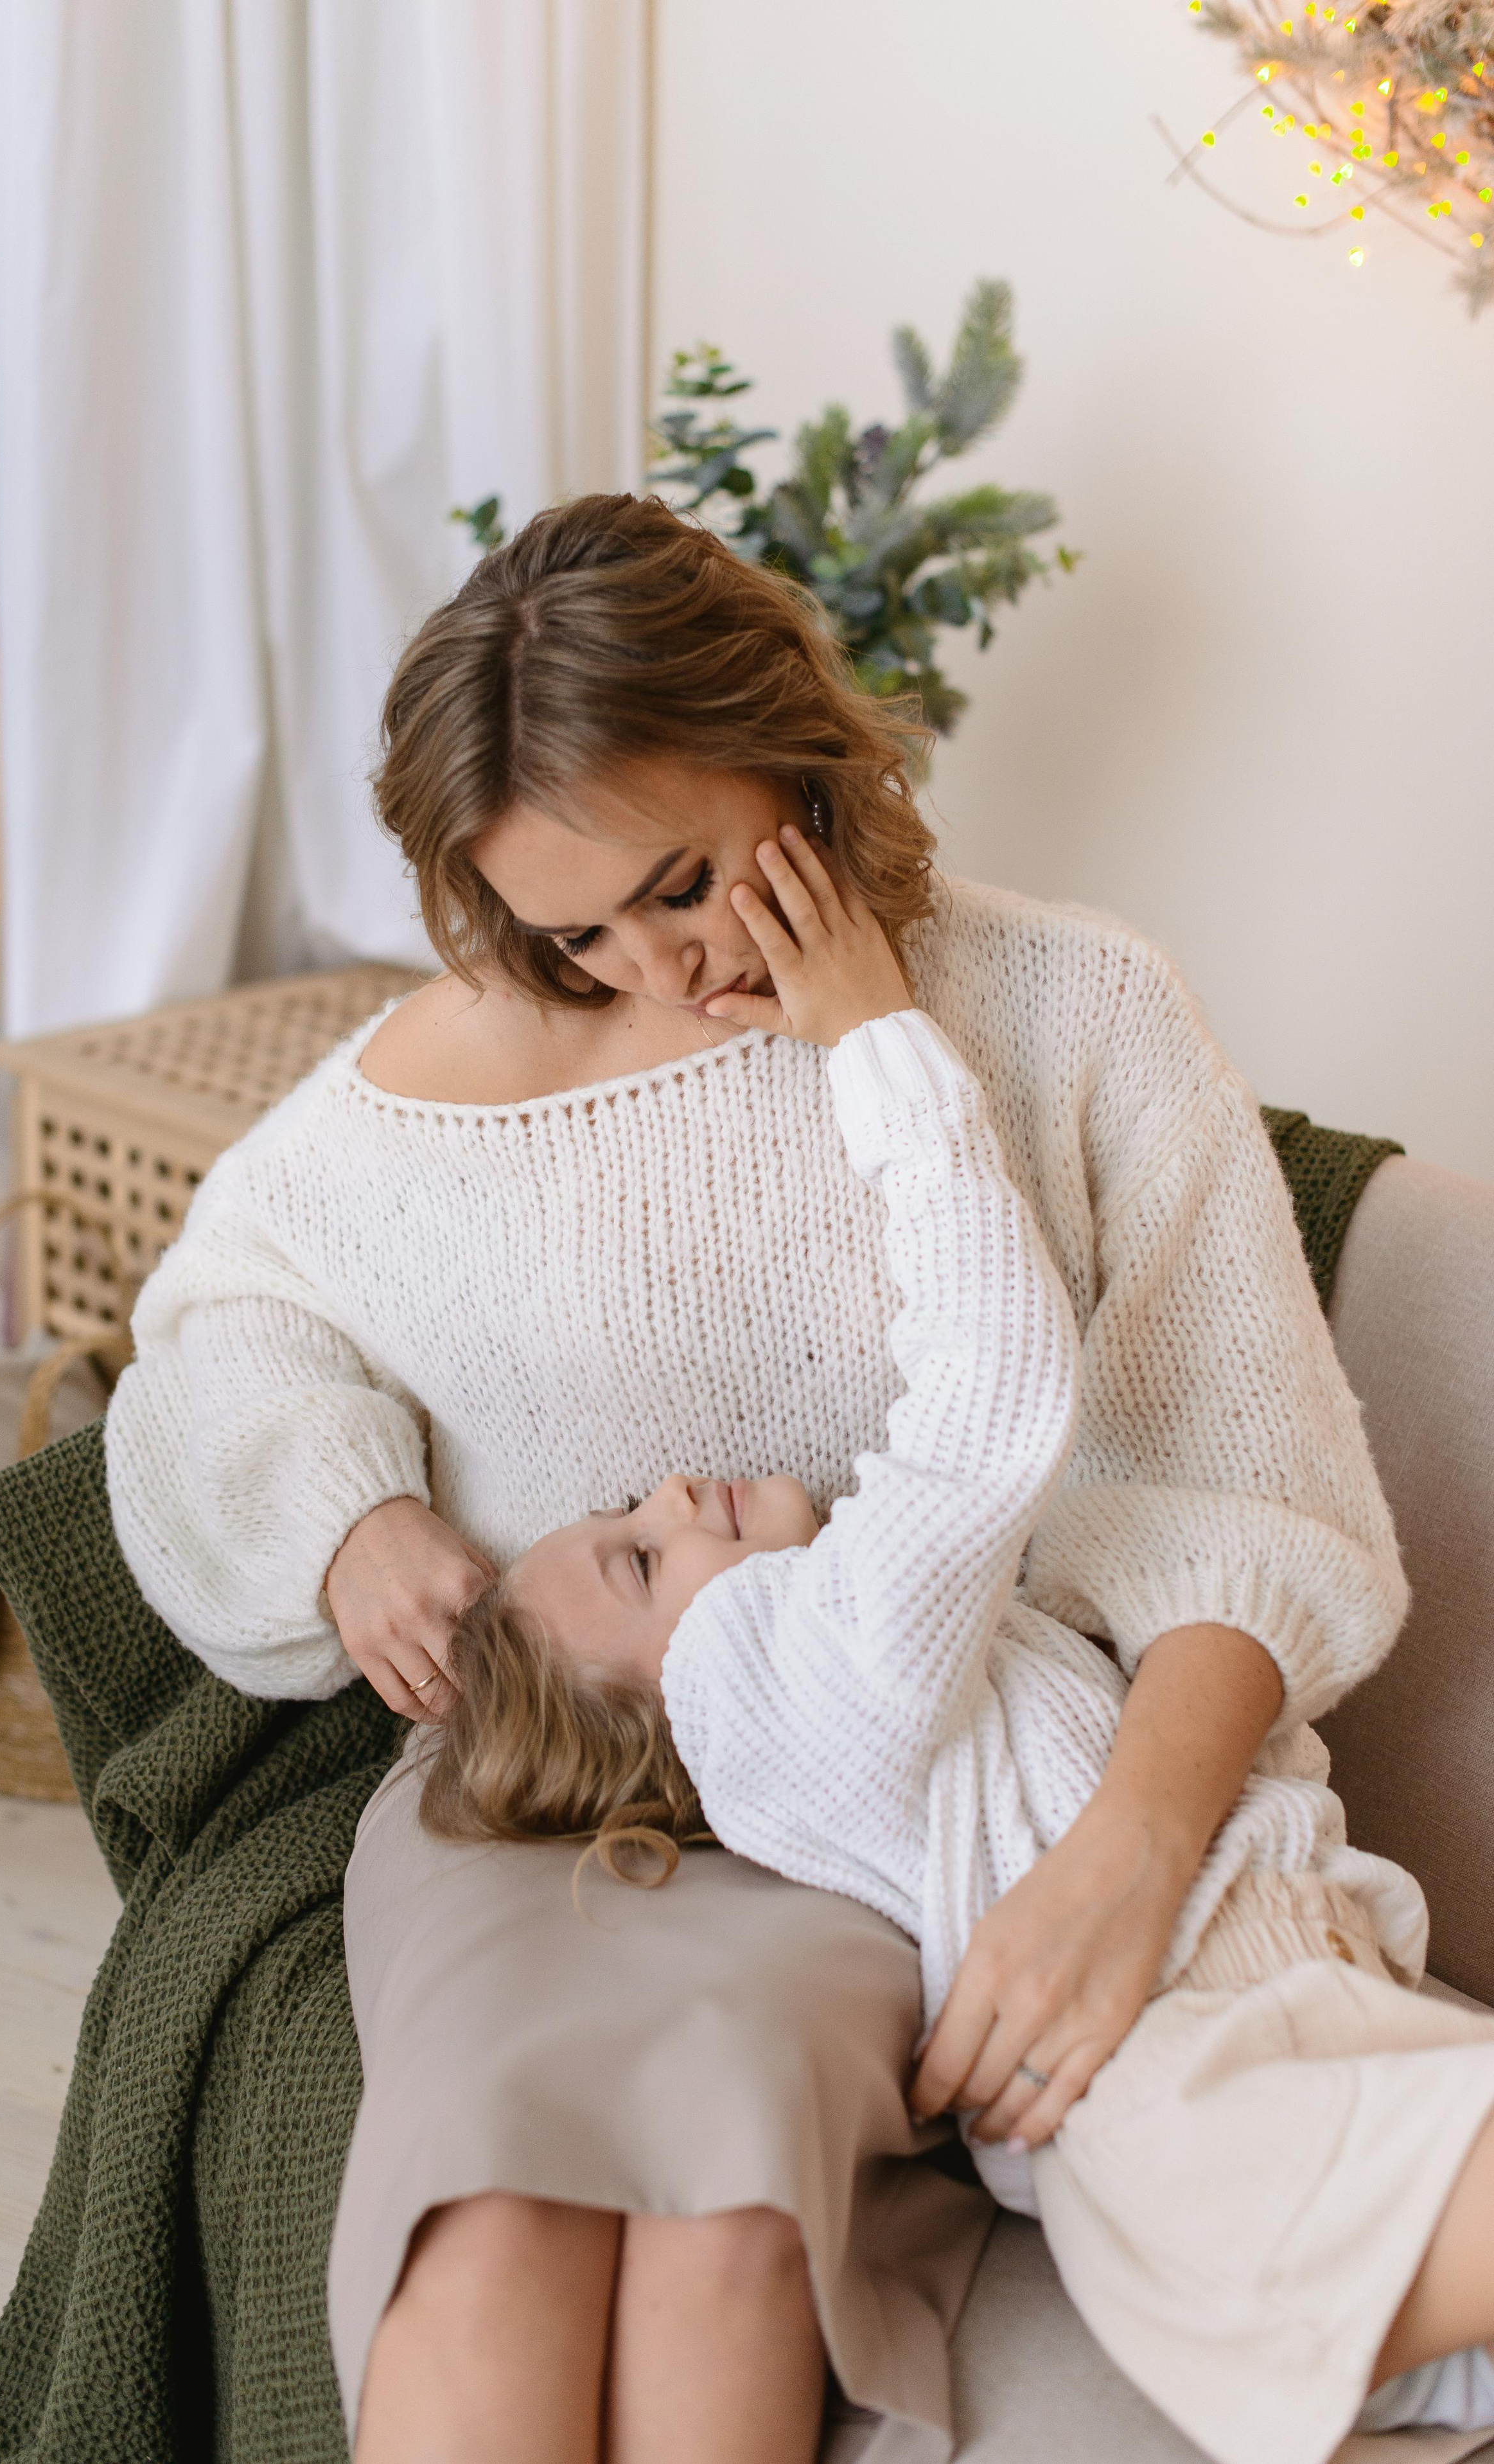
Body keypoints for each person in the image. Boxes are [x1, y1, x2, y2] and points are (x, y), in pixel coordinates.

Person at [105, 493, 1411, 2463]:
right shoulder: (438, 1078)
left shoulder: (1068, 1011)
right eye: (571, 927)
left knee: (723, 2241)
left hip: (873, 1814)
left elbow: (1250, 1504)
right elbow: (209, 1334)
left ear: (797, 745)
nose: (650, 960)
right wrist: (347, 1512)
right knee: (487, 2235)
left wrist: (1129, 1852)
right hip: (537, 1798)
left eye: (684, 878)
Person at [416, 827, 1494, 2464]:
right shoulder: (770, 1689)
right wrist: (875, 1041)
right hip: (1201, 2087)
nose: (673, 1488)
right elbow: (989, 1395)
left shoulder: (871, 1665)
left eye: (631, 1506)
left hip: (1283, 2044)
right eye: (641, 1554)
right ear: (672, 1714)